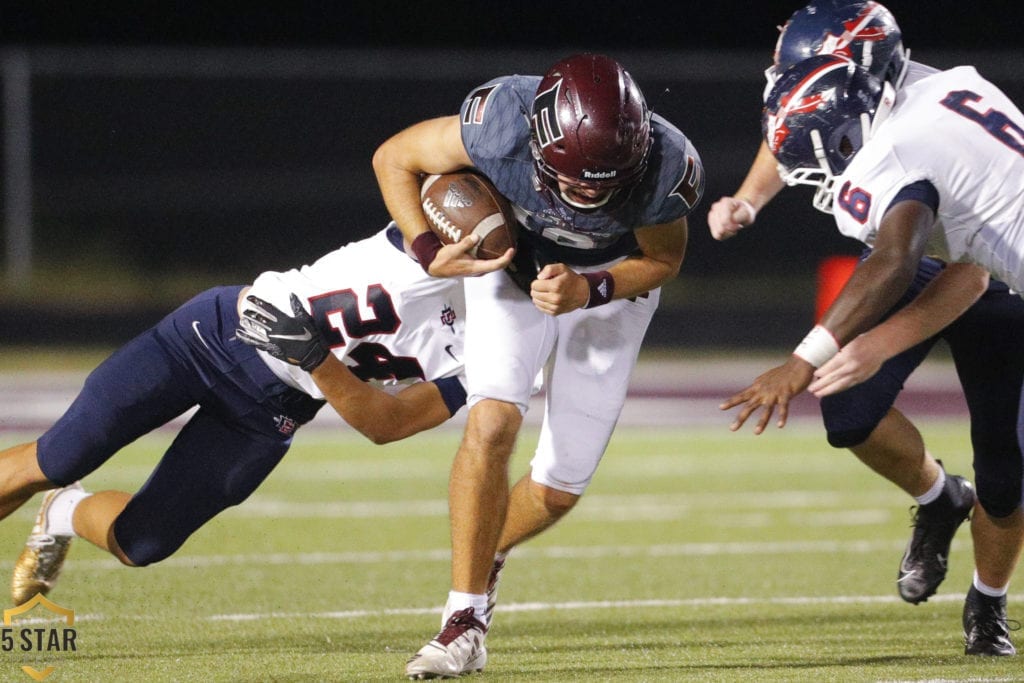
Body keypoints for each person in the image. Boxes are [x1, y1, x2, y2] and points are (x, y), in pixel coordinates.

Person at [372, 52, 704, 678]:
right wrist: (425, 250)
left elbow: (663, 261)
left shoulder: (667, 164)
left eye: (605, 183)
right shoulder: (500, 121)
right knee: (492, 421)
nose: (588, 195)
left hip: (611, 286)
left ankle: (485, 550)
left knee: (558, 487)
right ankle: (465, 620)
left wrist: (592, 289)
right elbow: (394, 157)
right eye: (575, 179)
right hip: (512, 269)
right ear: (540, 137)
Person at [707, 0, 1024, 609]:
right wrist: (749, 200)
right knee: (850, 407)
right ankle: (941, 500)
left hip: (987, 278)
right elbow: (802, 121)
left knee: (1007, 475)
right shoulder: (921, 86)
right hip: (969, 258)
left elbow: (913, 263)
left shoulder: (902, 150)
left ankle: (989, 599)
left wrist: (806, 359)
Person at [5, 224, 469, 605]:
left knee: (142, 543)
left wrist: (313, 358)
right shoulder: (449, 232)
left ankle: (64, 511)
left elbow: (387, 425)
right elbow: (397, 155)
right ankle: (57, 486)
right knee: (60, 458)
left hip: (276, 406)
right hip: (213, 335)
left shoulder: (498, 350)